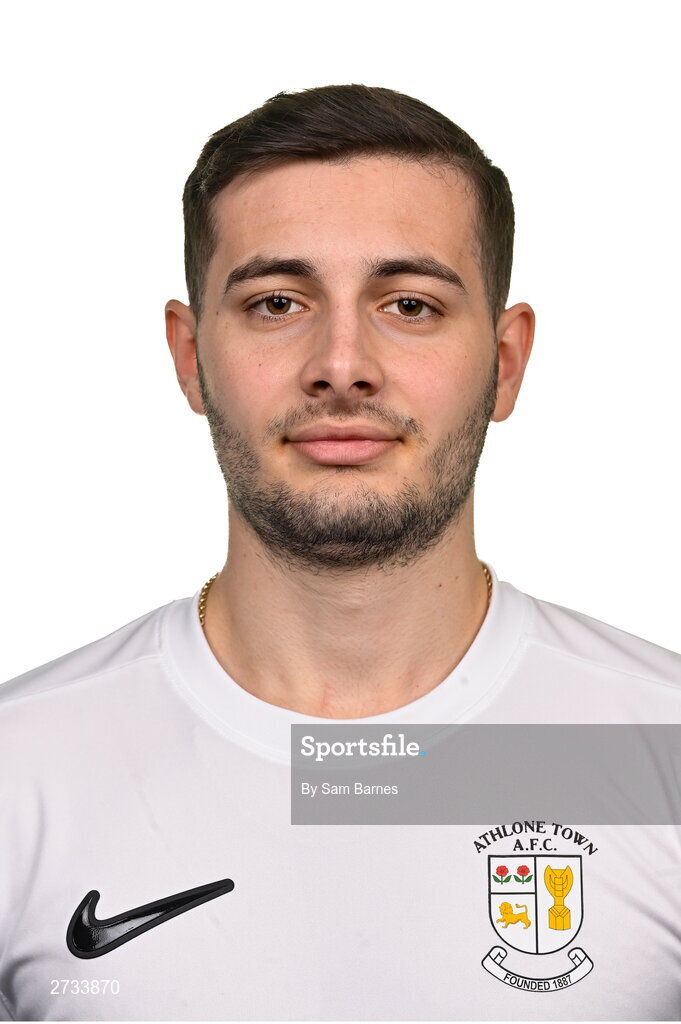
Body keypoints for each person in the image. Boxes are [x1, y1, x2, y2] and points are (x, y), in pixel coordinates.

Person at [0, 84, 680, 1022]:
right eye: (278, 302)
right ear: (190, 357)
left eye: (408, 303)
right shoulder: (22, 767)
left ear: (506, 363)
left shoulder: (661, 747)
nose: (342, 362)